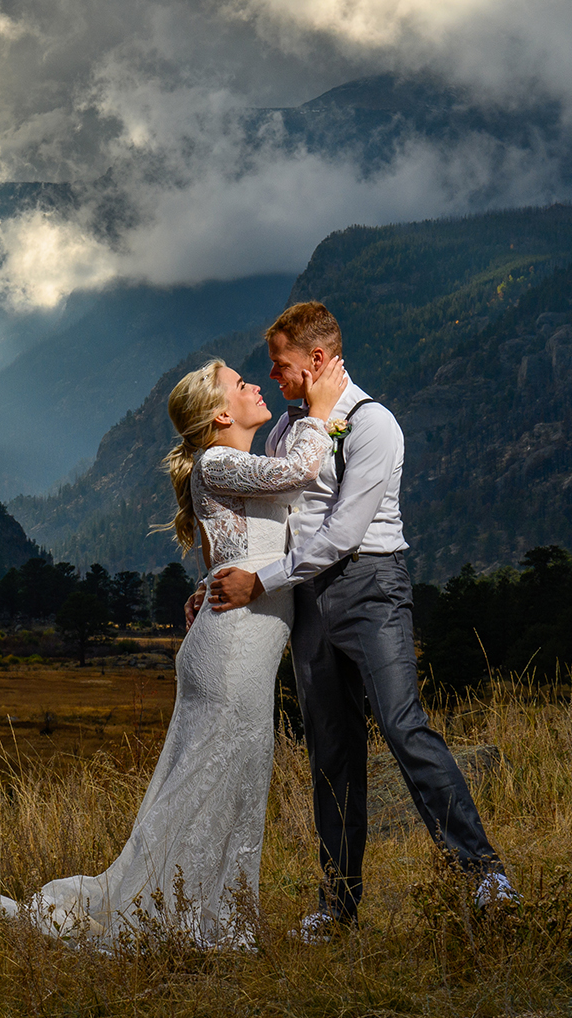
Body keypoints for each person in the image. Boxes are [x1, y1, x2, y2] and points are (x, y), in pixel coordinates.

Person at [0, 352, 346, 951]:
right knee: (209, 785)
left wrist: (201, 586)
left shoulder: (231, 463)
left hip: (240, 642)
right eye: (240, 383)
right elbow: (298, 472)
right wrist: (324, 408)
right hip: (232, 651)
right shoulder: (219, 460)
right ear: (220, 414)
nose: (252, 385)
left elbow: (243, 548)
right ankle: (184, 923)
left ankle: (211, 917)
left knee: (231, 784)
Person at [206, 301, 515, 942]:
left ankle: (484, 873)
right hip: (308, 596)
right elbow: (280, 521)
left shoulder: (376, 425)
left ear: (317, 360)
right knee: (331, 751)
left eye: (282, 364)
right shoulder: (286, 431)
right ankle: (339, 905)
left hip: (371, 586)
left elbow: (346, 531)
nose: (274, 376)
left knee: (403, 725)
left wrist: (263, 580)